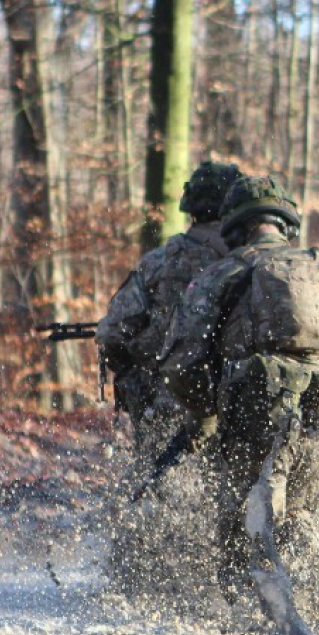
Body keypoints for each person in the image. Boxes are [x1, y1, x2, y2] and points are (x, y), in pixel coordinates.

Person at [160, 175, 319, 635]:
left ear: (235, 228)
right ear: (286, 224)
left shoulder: (224, 272)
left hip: (255, 409)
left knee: (245, 523)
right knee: (299, 516)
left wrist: (208, 408)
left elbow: (178, 362)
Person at [97, 160, 241, 451]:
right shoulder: (248, 264)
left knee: (155, 492)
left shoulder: (159, 262)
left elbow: (112, 333)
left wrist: (136, 381)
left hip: (163, 407)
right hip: (235, 409)